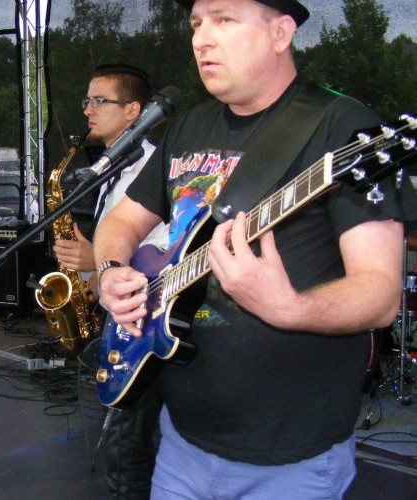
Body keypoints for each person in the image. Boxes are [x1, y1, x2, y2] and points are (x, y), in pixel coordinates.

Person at [94, 1, 407, 498]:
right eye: (197, 24)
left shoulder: (342, 126)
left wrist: (289, 307)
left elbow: (381, 292)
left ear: (281, 34)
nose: (201, 39)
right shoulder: (188, 126)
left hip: (291, 458)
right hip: (181, 442)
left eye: (224, 19)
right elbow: (123, 221)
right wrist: (111, 269)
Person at [53, 63, 169, 499]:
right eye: (87, 100)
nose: (88, 110)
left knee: (127, 449)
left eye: (100, 101)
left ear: (134, 110)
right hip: (120, 315)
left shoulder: (155, 166)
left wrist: (98, 264)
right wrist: (88, 275)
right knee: (126, 444)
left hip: (147, 320)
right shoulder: (110, 167)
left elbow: (167, 251)